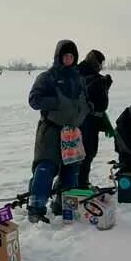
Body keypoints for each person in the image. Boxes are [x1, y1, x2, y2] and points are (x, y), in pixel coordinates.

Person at [27, 40, 90, 223]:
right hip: (51, 131)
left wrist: (87, 109)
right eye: (65, 56)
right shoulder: (47, 77)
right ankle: (36, 208)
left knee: (71, 169)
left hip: (73, 132)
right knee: (45, 168)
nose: (68, 59)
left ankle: (64, 204)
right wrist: (55, 102)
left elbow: (83, 101)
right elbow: (34, 100)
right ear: (58, 57)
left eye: (72, 56)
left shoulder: (79, 79)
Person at [76, 49, 114, 188]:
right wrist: (101, 84)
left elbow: (98, 101)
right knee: (84, 153)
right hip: (84, 120)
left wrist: (104, 86)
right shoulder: (82, 73)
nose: (101, 66)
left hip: (92, 120)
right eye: (100, 63)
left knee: (89, 152)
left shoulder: (93, 75)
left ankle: (81, 181)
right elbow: (87, 95)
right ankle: (79, 183)